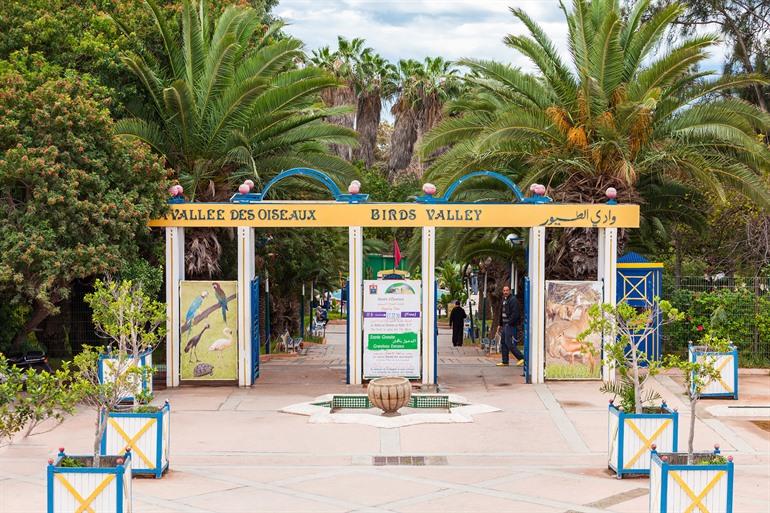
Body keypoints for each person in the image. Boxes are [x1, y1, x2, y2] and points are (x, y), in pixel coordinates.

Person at [497, 285, 524, 366]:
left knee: (509, 343)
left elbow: (515, 314)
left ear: (510, 291)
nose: (505, 292)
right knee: (503, 342)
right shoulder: (503, 300)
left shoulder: (513, 300)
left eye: (507, 290)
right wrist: (500, 324)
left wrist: (509, 323)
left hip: (510, 325)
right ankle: (505, 361)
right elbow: (501, 313)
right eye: (504, 290)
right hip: (505, 325)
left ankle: (521, 358)